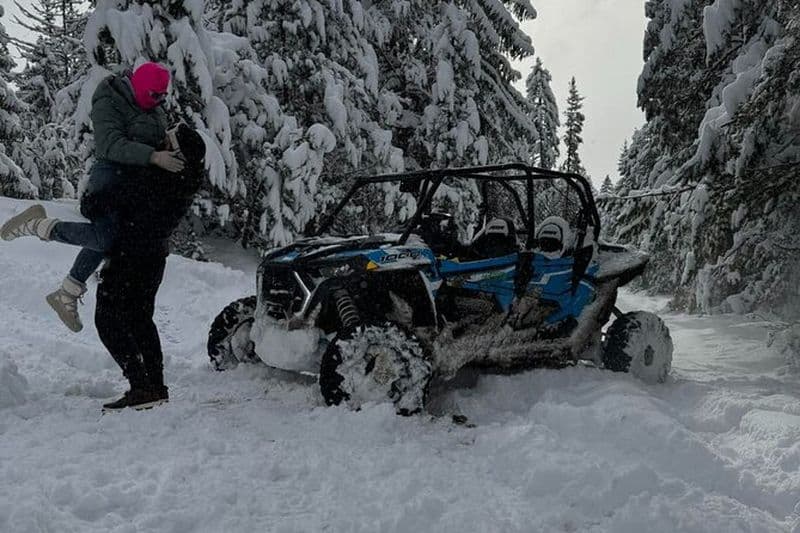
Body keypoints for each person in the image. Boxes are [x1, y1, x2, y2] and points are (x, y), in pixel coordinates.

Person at [0, 123, 206, 410]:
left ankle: (140, 386)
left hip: (130, 259)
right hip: (152, 258)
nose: (160, 142)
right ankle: (155, 387)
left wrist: (99, 195)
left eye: (167, 141)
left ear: (177, 156)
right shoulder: (182, 181)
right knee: (141, 321)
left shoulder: (157, 179)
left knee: (108, 321)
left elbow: (110, 202)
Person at [0, 62, 184, 332]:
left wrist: (168, 144)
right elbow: (110, 144)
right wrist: (155, 156)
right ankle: (37, 225)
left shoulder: (153, 108)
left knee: (112, 239)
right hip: (109, 183)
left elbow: (152, 136)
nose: (160, 100)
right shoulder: (109, 98)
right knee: (106, 238)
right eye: (156, 95)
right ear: (141, 87)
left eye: (163, 95)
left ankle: (67, 292)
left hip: (136, 187)